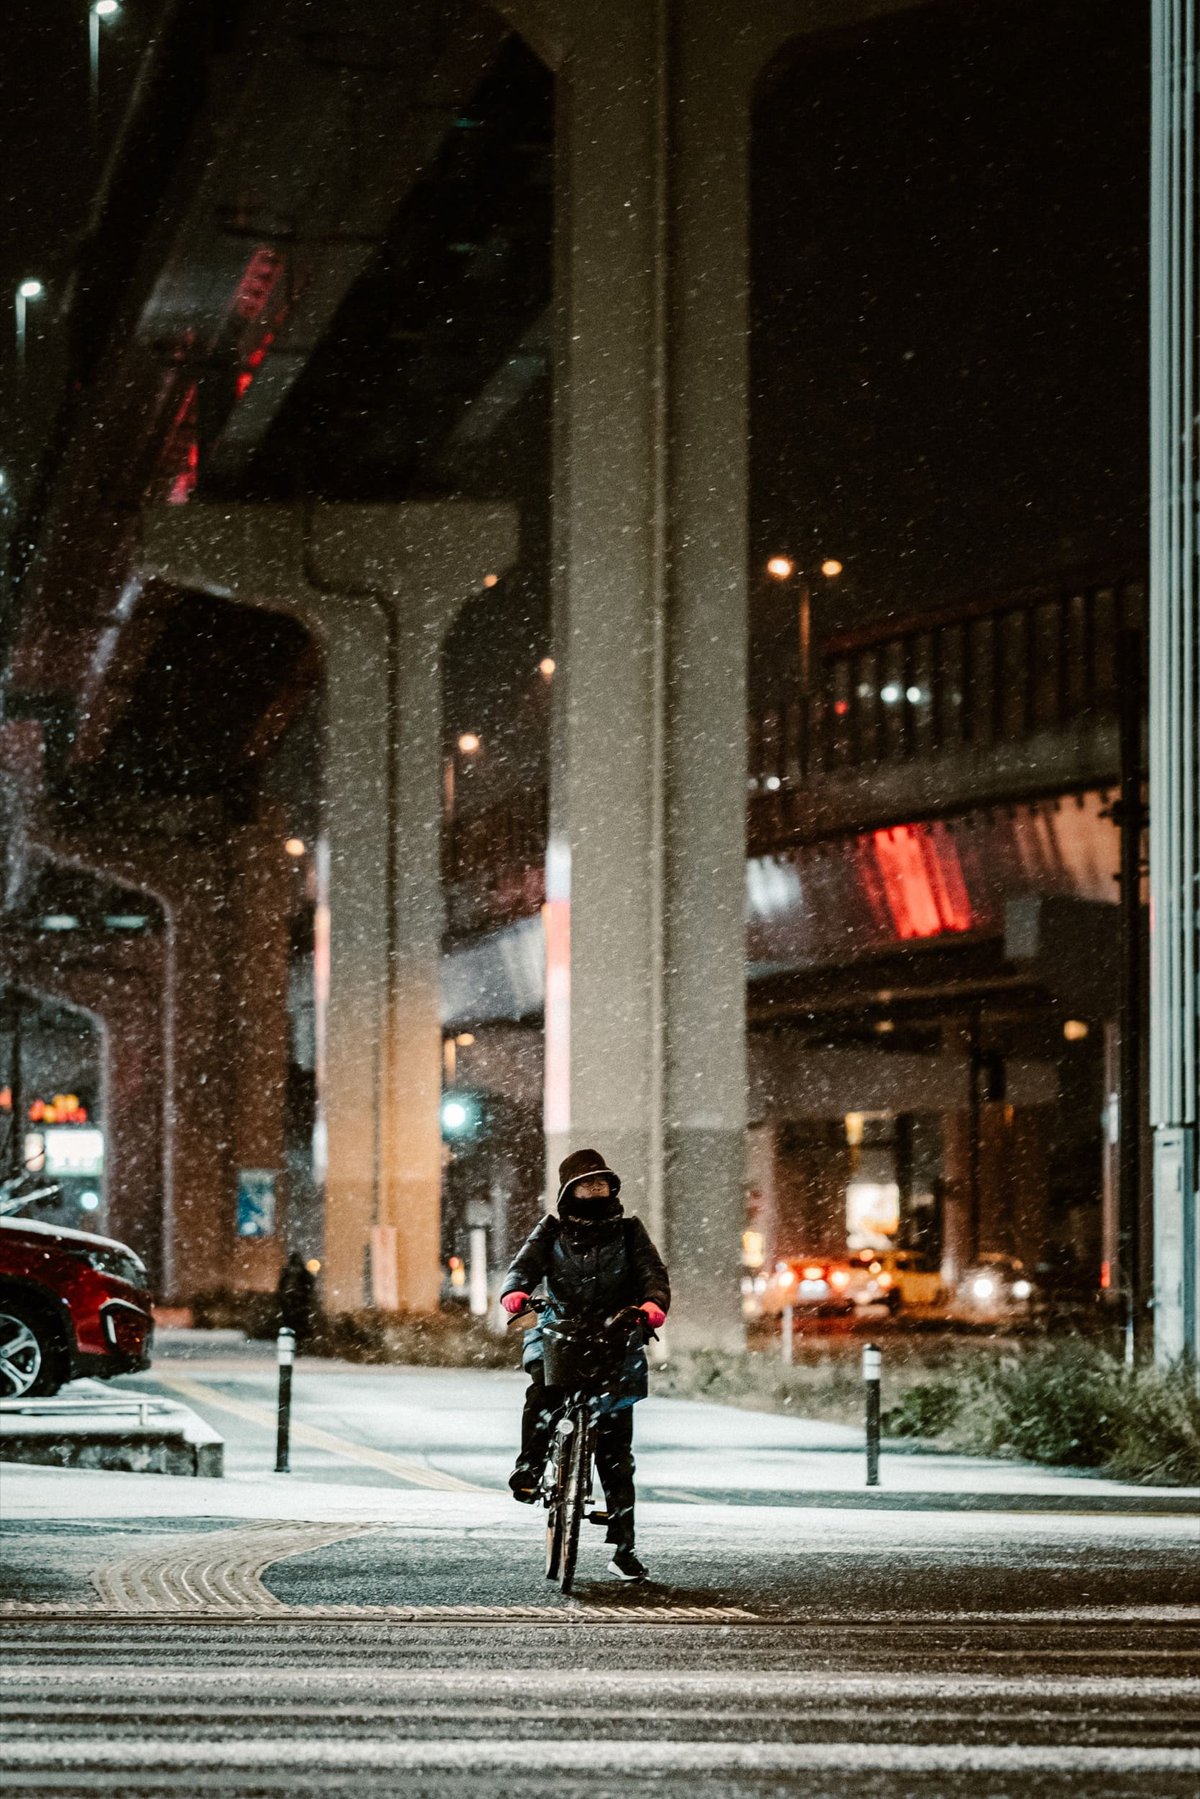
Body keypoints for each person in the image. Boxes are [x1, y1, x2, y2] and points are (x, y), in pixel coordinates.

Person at [500, 1147, 669, 1582]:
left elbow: (653, 1274)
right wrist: (515, 1294)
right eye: (585, 1184)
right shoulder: (551, 1231)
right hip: (562, 1331)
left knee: (616, 1448)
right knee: (543, 1389)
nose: (594, 1191)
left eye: (601, 1183)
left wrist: (652, 1304)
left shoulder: (630, 1232)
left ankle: (623, 1546)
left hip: (617, 1335)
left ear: (612, 1188)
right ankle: (530, 1468)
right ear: (568, 1190)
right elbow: (522, 1269)